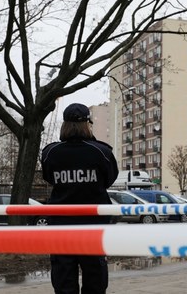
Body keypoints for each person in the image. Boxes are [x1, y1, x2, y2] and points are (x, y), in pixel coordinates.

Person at [41, 103, 119, 294]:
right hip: (93, 226)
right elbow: (109, 179)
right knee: (95, 279)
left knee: (63, 280)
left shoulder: (51, 152)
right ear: (87, 124)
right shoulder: (102, 152)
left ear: (64, 125)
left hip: (61, 225)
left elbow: (49, 177)